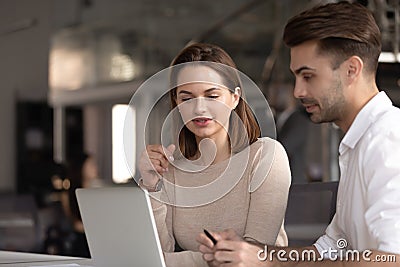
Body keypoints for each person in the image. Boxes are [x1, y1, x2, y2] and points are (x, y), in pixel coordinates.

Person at [197, 2, 400, 266]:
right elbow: (332, 249)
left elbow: (391, 259)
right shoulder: (358, 142)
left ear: (352, 69)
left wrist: (269, 264)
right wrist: (255, 252)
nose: (298, 92)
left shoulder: (388, 139)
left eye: (308, 76)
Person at [138, 43, 291, 267]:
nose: (199, 108)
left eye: (212, 95)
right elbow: (155, 257)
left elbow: (251, 256)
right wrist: (152, 186)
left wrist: (180, 261)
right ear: (176, 104)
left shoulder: (266, 155)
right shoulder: (172, 170)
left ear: (235, 97)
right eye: (187, 98)